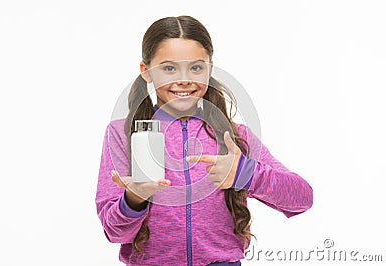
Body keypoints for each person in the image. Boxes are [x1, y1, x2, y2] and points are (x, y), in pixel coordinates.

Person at [95, 15, 313, 266]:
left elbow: (302, 199)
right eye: (168, 68)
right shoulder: (123, 134)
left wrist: (248, 174)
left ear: (209, 68)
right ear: (146, 71)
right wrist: (133, 200)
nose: (184, 79)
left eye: (196, 67)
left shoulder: (235, 137)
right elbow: (114, 233)